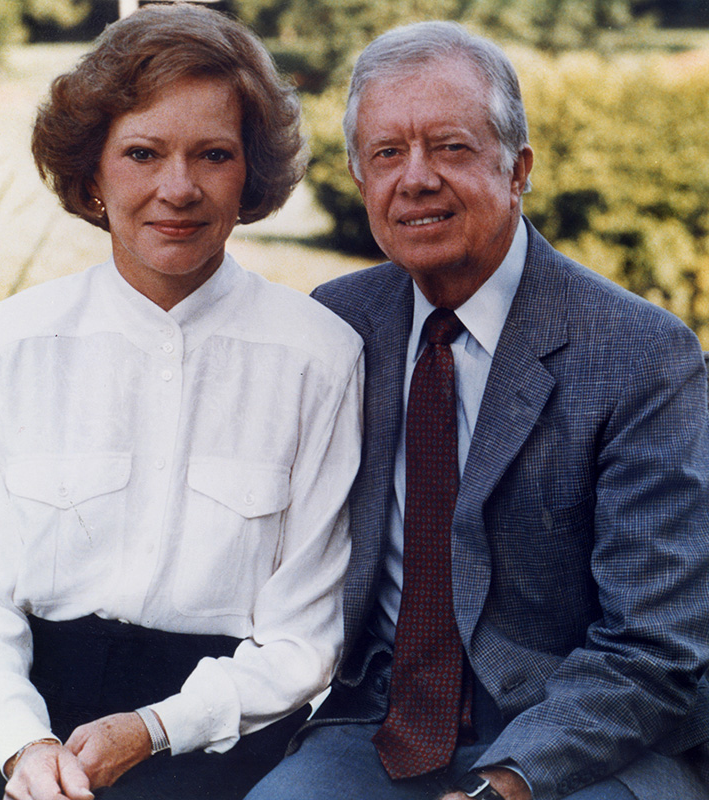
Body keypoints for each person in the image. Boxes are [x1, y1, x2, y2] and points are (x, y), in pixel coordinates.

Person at [244, 20, 709, 800]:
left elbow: (655, 644)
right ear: (361, 180)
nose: (416, 178)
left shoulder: (640, 354)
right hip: (376, 727)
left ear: (517, 167)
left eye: (451, 147)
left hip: (588, 740)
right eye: (387, 154)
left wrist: (507, 784)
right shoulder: (337, 326)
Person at [0, 5, 363, 800]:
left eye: (213, 155)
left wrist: (156, 729)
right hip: (19, 706)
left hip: (220, 729)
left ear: (249, 174)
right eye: (143, 153)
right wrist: (24, 743)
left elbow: (301, 639)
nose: (177, 189)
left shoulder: (318, 358)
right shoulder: (10, 344)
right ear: (92, 174)